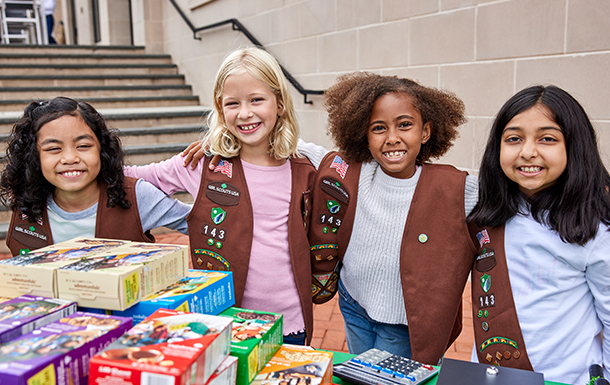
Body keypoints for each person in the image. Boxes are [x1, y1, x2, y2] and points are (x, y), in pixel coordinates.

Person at [183, 72, 477, 363]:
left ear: (425, 132)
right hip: (354, 305)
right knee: (358, 371)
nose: (392, 138)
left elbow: (505, 196)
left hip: (403, 320)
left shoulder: (456, 188)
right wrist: (220, 139)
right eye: (378, 128)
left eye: (404, 125)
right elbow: (274, 139)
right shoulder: (348, 169)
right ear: (363, 132)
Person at [124, 47, 316, 345]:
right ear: (219, 107)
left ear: (279, 103)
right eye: (232, 103)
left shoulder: (303, 167)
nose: (244, 113)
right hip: (222, 318)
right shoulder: (203, 164)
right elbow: (139, 176)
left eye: (257, 100)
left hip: (289, 320)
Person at [468, 85, 610, 385]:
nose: (528, 151)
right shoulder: (486, 209)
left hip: (563, 379)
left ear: (574, 145)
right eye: (514, 139)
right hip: (489, 373)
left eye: (547, 138)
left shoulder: (594, 226)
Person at [0, 97, 190, 256]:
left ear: (102, 149)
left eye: (83, 146)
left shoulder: (137, 195)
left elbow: (197, 223)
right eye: (54, 149)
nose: (70, 158)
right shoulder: (27, 203)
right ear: (34, 157)